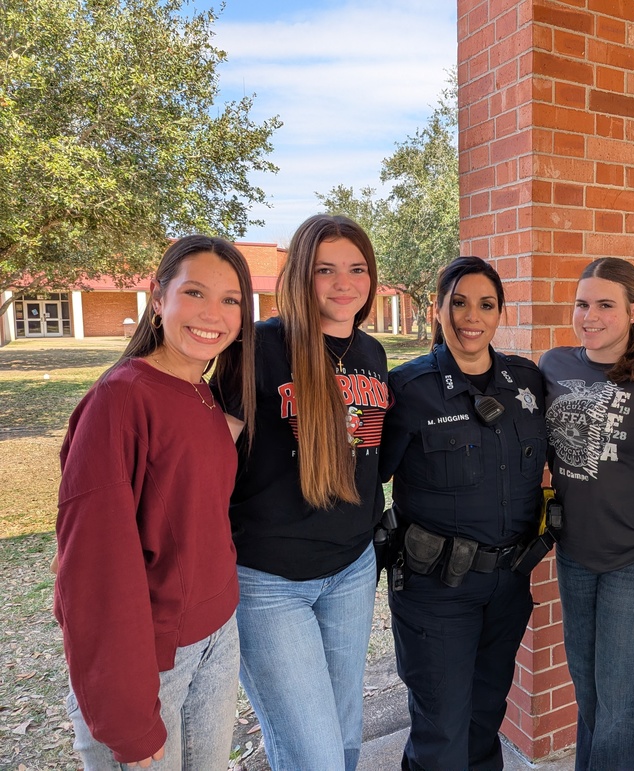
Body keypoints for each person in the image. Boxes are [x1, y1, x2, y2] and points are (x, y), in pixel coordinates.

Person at [55, 236, 257, 769]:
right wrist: (127, 720)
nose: (212, 314)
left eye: (231, 300)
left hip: (217, 636)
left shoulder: (202, 392)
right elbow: (92, 574)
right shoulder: (119, 401)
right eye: (194, 293)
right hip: (151, 660)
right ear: (156, 297)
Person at [217, 214, 388, 770]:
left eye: (357, 268)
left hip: (352, 570)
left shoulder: (372, 355)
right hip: (270, 581)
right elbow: (211, 459)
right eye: (326, 270)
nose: (345, 283)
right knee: (311, 751)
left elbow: (368, 456)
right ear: (299, 277)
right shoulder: (259, 347)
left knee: (342, 733)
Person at [381, 256, 547, 770]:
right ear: (437, 308)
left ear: (500, 314)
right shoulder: (408, 389)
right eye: (458, 302)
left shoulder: (527, 384)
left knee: (483, 721)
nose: (470, 317)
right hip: (436, 592)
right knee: (441, 734)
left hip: (507, 586)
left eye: (485, 304)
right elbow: (366, 479)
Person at [540, 257, 634, 770]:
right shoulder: (554, 365)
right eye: (582, 304)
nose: (590, 316)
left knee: (622, 703)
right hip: (576, 556)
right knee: (589, 695)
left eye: (605, 304)